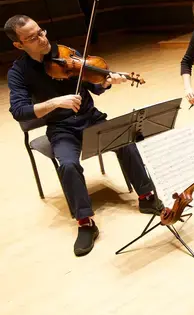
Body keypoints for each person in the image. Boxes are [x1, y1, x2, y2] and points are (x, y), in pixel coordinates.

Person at [5, 15, 164, 257]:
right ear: (19, 45)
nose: (42, 39)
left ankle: (146, 196)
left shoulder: (66, 53)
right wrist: (55, 102)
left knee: (126, 140)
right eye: (32, 37)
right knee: (67, 165)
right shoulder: (19, 72)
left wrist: (109, 81)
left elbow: (95, 85)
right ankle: (85, 223)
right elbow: (19, 111)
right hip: (61, 129)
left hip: (91, 119)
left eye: (41, 31)